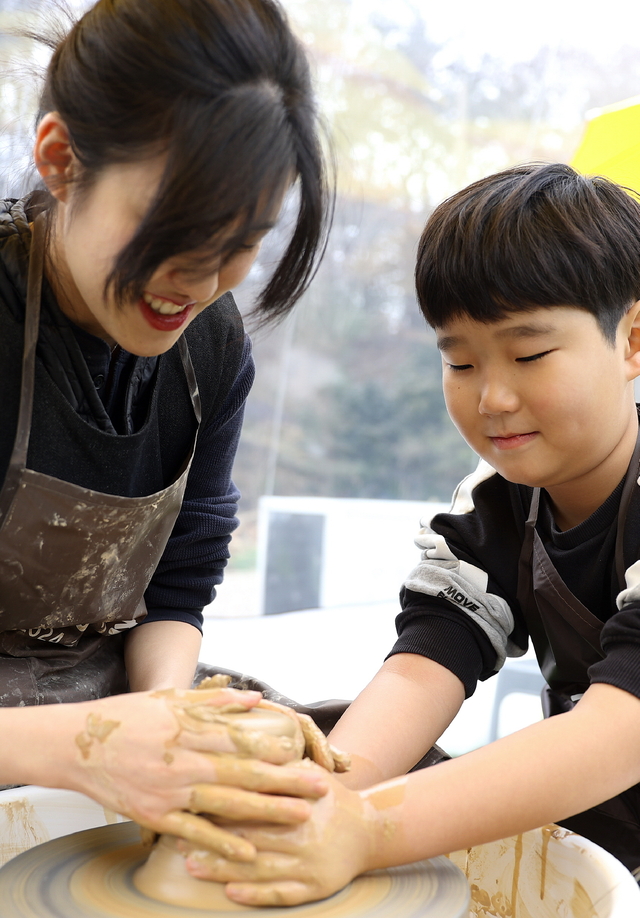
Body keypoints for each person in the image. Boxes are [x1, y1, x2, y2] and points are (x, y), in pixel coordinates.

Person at [188, 163, 640, 905]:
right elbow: (426, 662)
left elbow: (621, 729)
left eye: (529, 355)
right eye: (460, 360)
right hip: (603, 849)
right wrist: (314, 803)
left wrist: (367, 830)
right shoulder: (495, 508)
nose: (492, 396)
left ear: (631, 340)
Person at [0, 0, 331, 853]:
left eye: (245, 243)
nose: (203, 280)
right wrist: (93, 747)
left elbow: (179, 581)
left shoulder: (209, 346)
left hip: (102, 698)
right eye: (177, 233)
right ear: (61, 160)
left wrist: (164, 718)